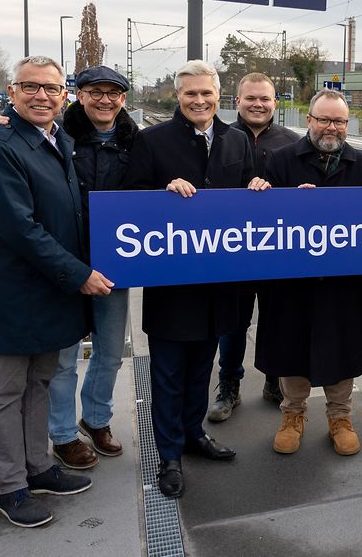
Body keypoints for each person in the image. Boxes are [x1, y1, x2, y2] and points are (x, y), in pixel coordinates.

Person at [0, 65, 138, 470]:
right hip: (62, 263)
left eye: (112, 93)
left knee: (110, 352)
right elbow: (0, 160)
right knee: (63, 358)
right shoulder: (57, 133)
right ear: (77, 95)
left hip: (115, 262)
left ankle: (96, 419)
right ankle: (62, 435)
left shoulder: (136, 141)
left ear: (123, 99)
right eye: (94, 91)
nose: (103, 99)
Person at [121, 60, 268, 499]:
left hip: (218, 279)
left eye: (206, 93)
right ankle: (168, 454)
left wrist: (257, 184)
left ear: (219, 94)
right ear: (177, 95)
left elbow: (243, 191)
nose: (199, 101)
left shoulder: (236, 139)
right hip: (172, 281)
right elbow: (128, 199)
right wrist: (160, 195)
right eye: (190, 94)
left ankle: (192, 434)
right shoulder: (151, 141)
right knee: (166, 372)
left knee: (201, 365)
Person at [256, 89, 362, 456]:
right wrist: (279, 197)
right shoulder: (280, 161)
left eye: (339, 121)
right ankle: (292, 415)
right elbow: (261, 220)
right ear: (308, 120)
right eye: (323, 119)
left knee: (341, 344)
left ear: (347, 124)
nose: (331, 127)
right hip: (293, 279)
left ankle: (340, 417)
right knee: (292, 343)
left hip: (342, 280)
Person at [207, 73, 300, 422]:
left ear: (275, 102)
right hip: (234, 250)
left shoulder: (291, 142)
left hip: (279, 251)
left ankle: (274, 381)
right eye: (251, 99)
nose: (258, 105)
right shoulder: (219, 140)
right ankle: (229, 385)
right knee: (233, 322)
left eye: (265, 99)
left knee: (277, 319)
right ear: (237, 100)